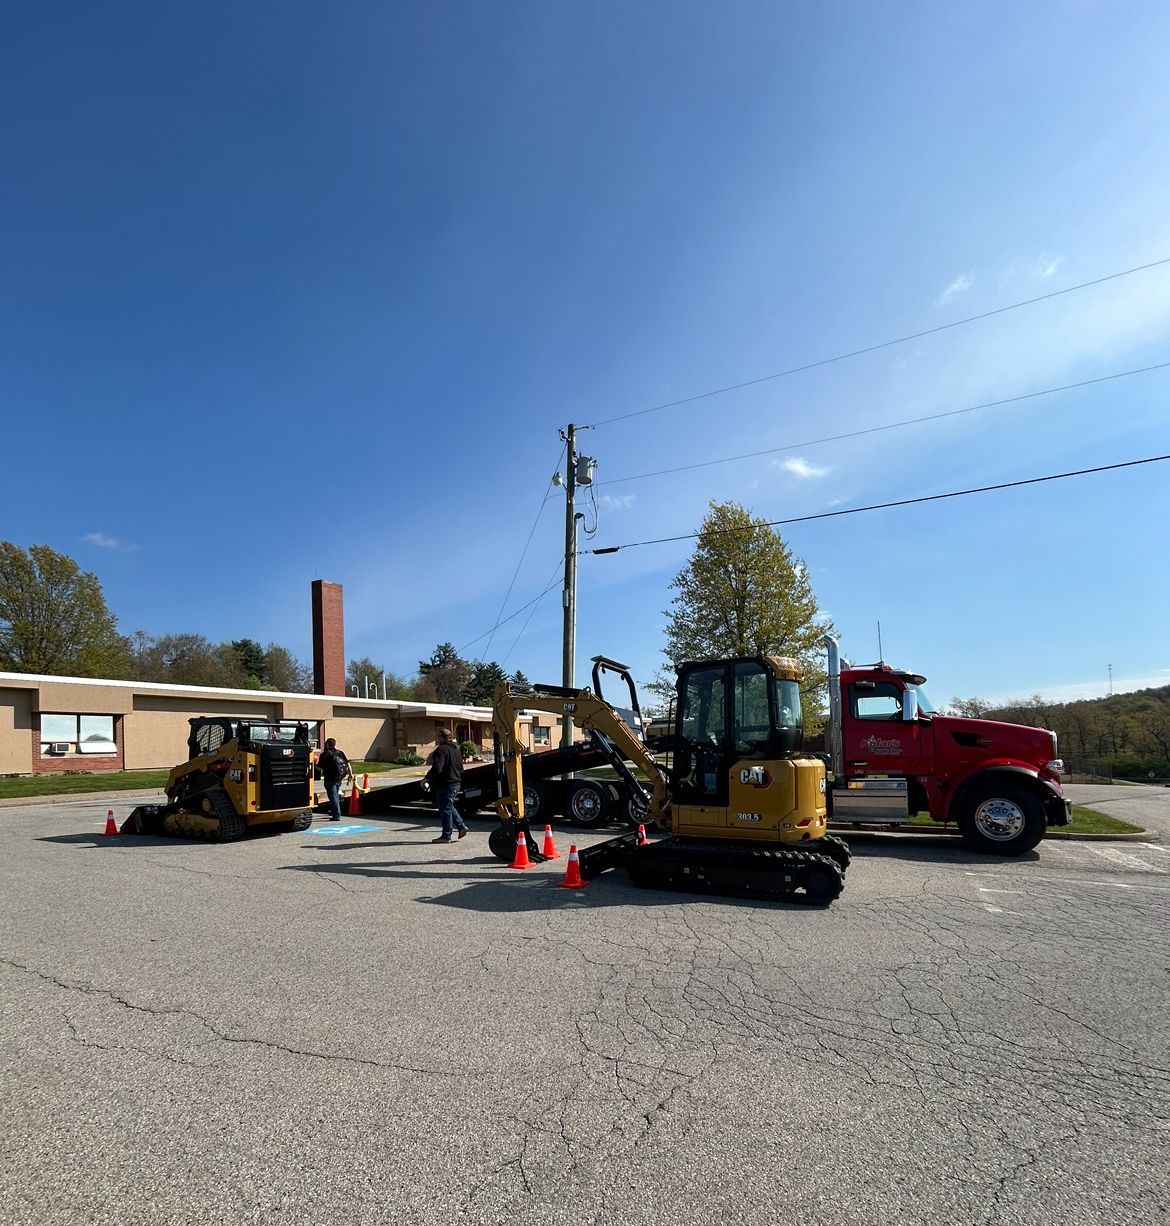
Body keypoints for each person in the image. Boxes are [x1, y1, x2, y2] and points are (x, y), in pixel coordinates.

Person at [425, 728, 467, 843]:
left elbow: (437, 768)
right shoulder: (456, 749)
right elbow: (461, 768)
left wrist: (427, 779)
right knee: (448, 806)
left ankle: (446, 835)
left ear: (442, 737)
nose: (437, 739)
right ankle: (461, 826)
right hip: (456, 782)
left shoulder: (441, 750)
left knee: (445, 809)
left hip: (446, 784)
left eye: (438, 737)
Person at [317, 737, 352, 822]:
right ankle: (334, 811)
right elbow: (347, 764)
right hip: (339, 778)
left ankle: (336, 815)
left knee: (333, 797)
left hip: (329, 779)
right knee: (335, 795)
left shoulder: (325, 754)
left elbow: (319, 768)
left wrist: (314, 763)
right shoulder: (340, 753)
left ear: (327, 744)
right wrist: (351, 774)